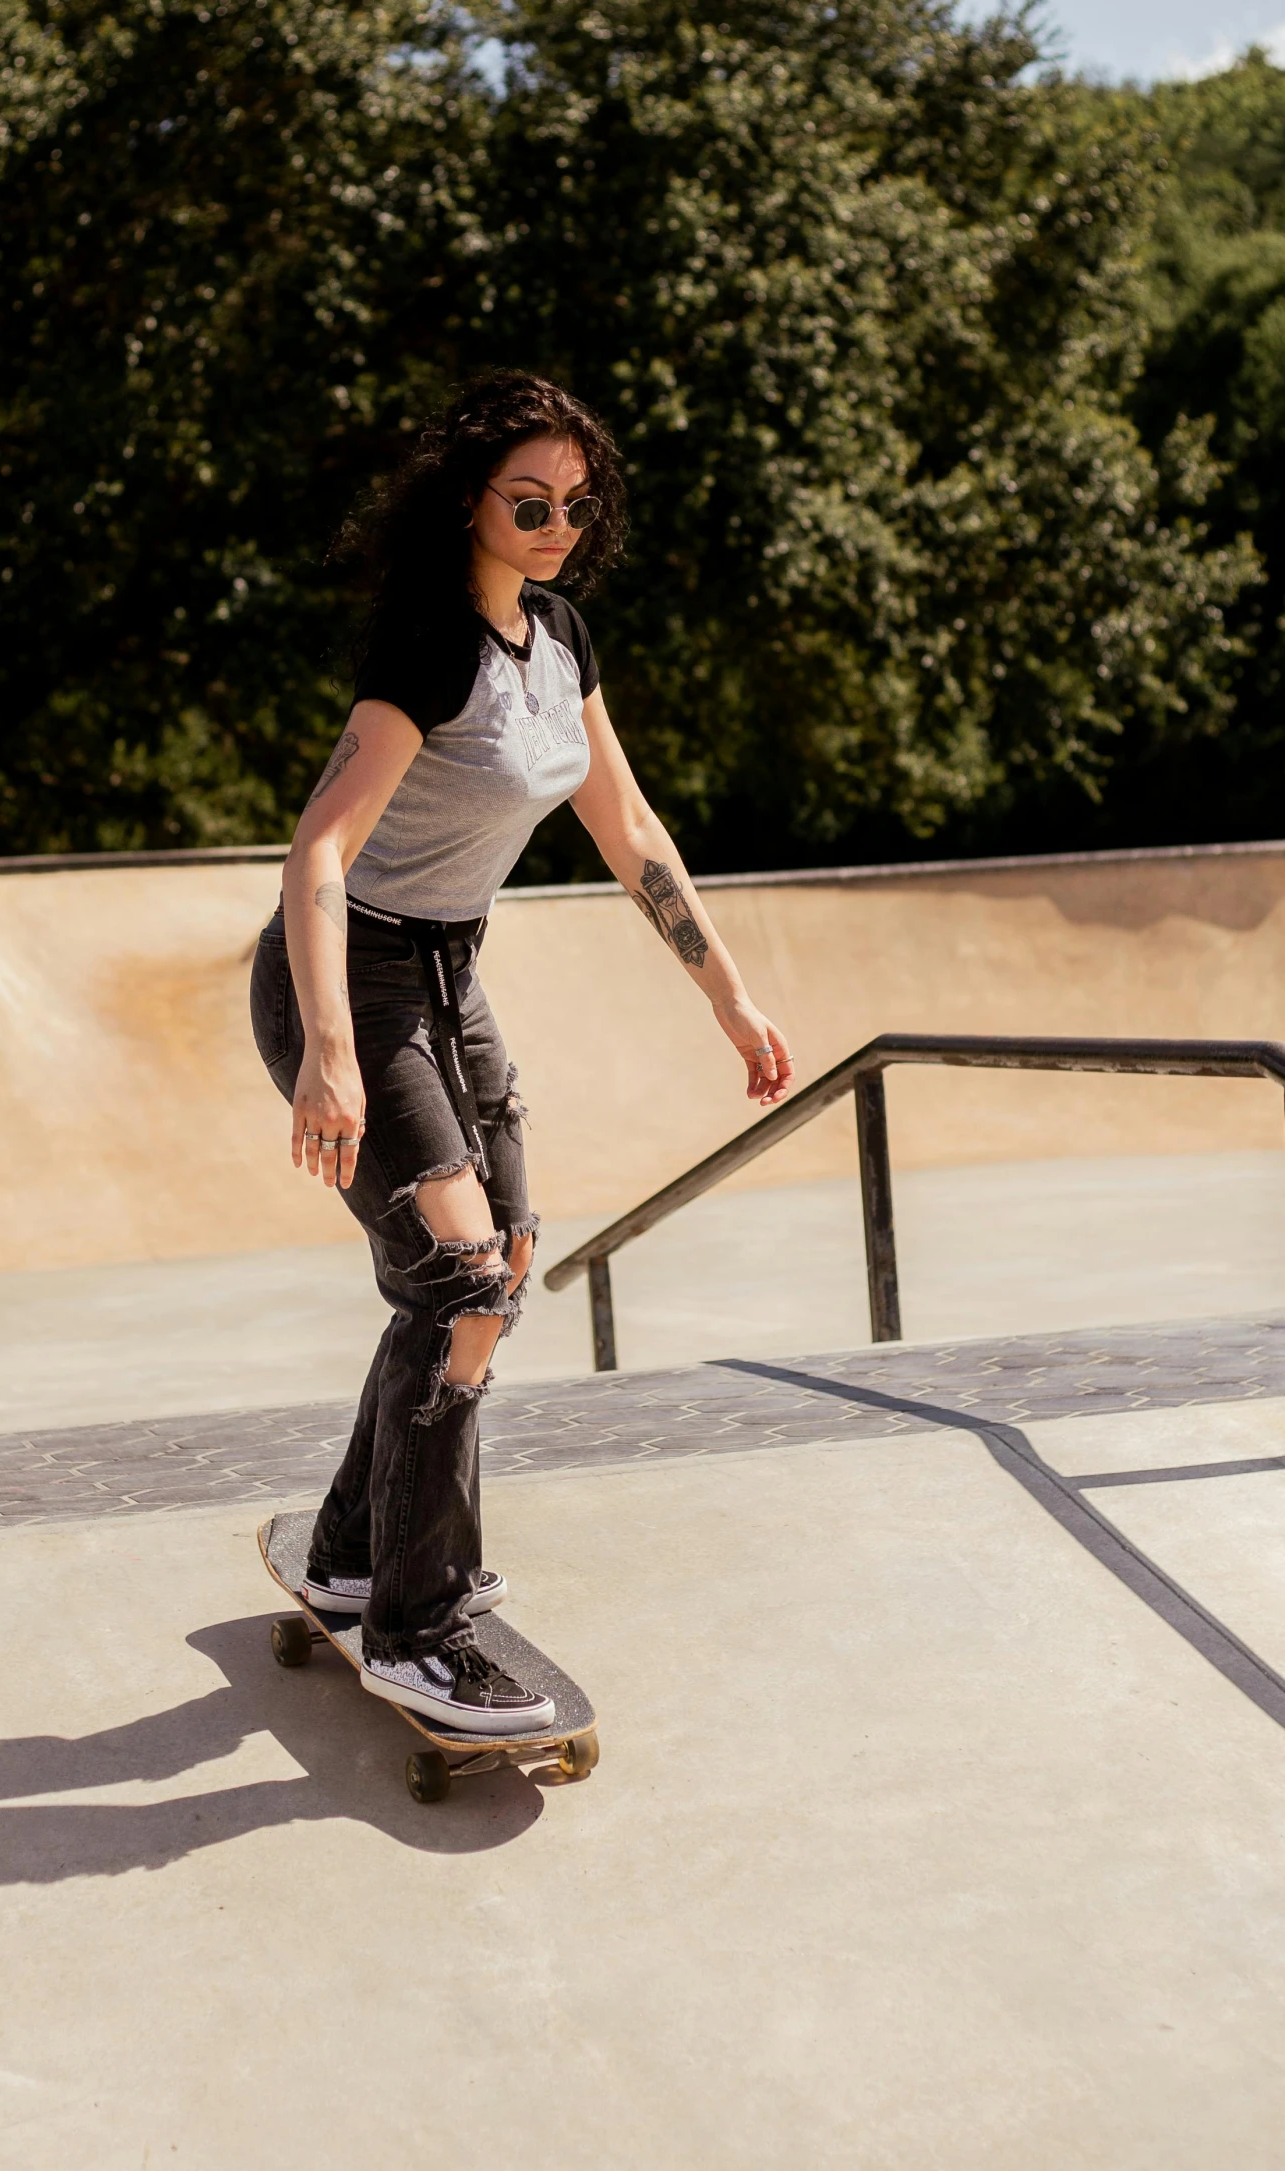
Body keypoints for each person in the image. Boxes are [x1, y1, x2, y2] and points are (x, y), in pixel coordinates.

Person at [250, 371, 794, 1735]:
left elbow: (631, 829)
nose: (559, 524)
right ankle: (417, 1627)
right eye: (529, 503)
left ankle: (351, 1549)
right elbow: (317, 849)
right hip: (351, 977)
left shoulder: (560, 639)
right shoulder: (427, 647)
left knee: (493, 1266)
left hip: (449, 975)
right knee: (461, 1281)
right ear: (471, 503)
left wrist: (727, 995)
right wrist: (329, 1052)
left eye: (575, 502)